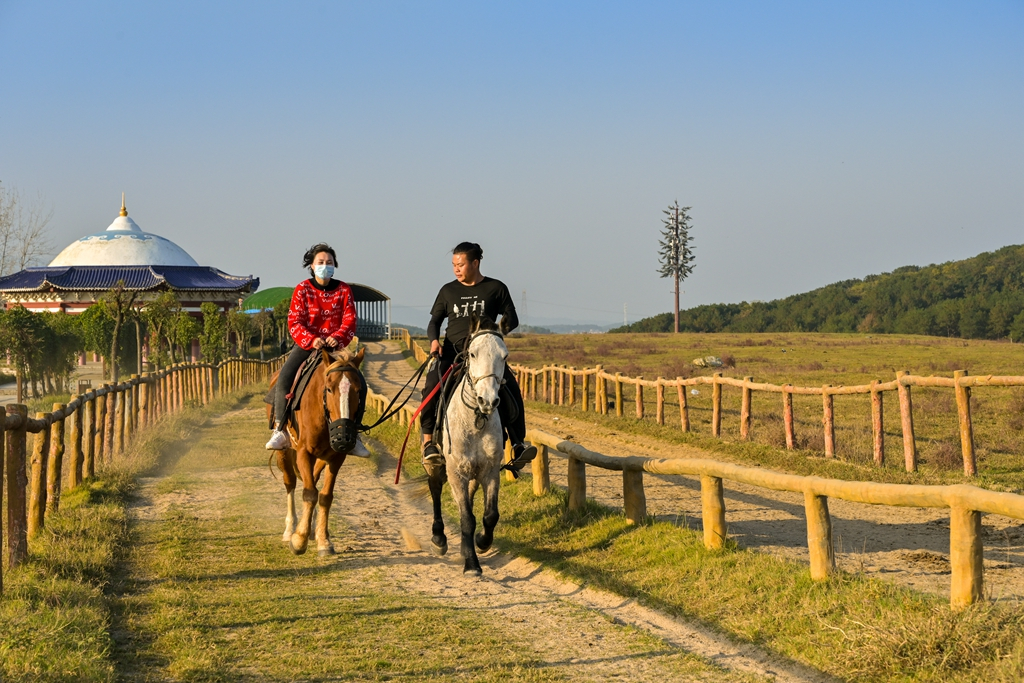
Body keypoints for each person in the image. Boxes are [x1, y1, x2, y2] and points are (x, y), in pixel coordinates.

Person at [420, 241, 536, 468]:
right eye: (454, 264)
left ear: (475, 263)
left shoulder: (496, 288)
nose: (456, 269)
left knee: (510, 386)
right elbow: (434, 321)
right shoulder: (447, 290)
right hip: (453, 353)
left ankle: (517, 444)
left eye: (460, 264)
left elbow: (512, 317)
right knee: (431, 385)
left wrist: (499, 332)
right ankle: (429, 444)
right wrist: (434, 342)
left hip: (485, 355)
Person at [265, 242, 369, 456]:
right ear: (311, 266)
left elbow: (349, 320)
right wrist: (312, 339)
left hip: (336, 350)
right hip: (307, 346)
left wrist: (337, 338)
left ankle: (355, 434)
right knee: (284, 377)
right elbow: (295, 321)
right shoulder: (302, 289)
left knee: (360, 384)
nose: (325, 265)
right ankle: (280, 429)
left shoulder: (343, 290)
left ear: (335, 265)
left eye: (329, 262)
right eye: (320, 262)